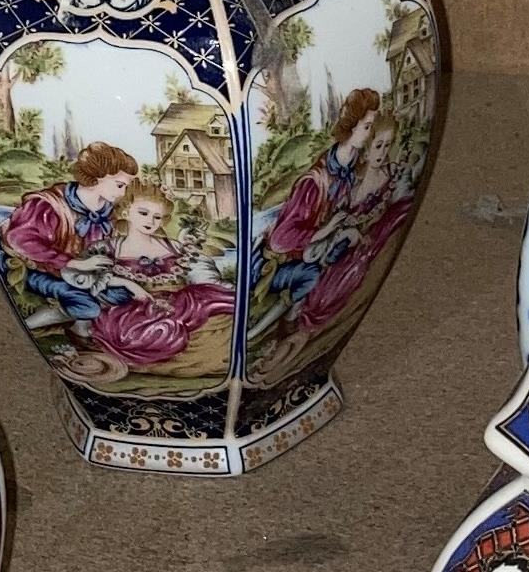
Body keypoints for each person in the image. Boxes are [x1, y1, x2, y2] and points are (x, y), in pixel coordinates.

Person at [262, 88, 410, 338]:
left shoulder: (352, 172)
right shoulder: (316, 182)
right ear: (350, 128)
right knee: (313, 276)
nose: (371, 134)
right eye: (367, 128)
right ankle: (284, 325)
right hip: (292, 263)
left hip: (325, 250)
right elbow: (279, 240)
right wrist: (328, 231)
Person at [84, 183, 236, 369]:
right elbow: (92, 278)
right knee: (153, 332)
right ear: (125, 211)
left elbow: (199, 269)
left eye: (157, 217)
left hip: (178, 301)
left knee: (225, 304)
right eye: (143, 213)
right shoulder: (109, 248)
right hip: (134, 307)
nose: (151, 221)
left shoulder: (172, 246)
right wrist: (129, 285)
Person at [0, 142, 138, 323]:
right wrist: (73, 263)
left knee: (122, 296)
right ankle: (32, 324)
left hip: (83, 274)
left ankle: (77, 319)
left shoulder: (106, 211)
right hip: (40, 270)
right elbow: (22, 240)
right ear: (97, 178)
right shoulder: (50, 204)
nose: (123, 192)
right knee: (87, 306)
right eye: (120, 185)